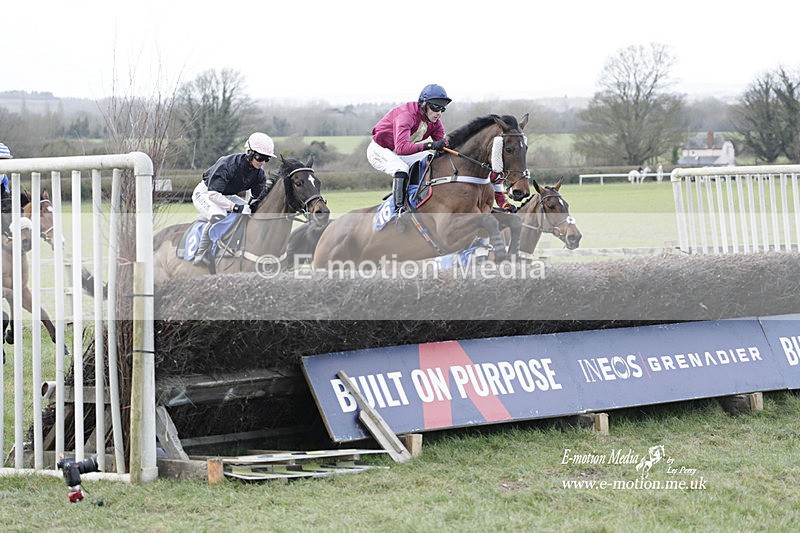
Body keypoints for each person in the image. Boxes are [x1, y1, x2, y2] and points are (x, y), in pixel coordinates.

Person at [367, 83, 451, 231]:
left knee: (429, 159)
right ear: (424, 104)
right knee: (401, 168)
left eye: (442, 109)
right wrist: (430, 145)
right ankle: (399, 210)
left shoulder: (435, 122)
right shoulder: (407, 115)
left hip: (400, 150)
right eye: (435, 107)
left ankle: (418, 195)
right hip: (380, 149)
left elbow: (444, 146)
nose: (439, 113)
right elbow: (401, 148)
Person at [191, 132, 277, 267]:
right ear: (249, 153)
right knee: (219, 214)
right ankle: (200, 253)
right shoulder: (227, 164)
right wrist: (235, 207)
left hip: (226, 195)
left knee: (250, 212)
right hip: (206, 193)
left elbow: (257, 198)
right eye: (260, 157)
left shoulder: (259, 174)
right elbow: (213, 194)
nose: (262, 162)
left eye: (266, 159)